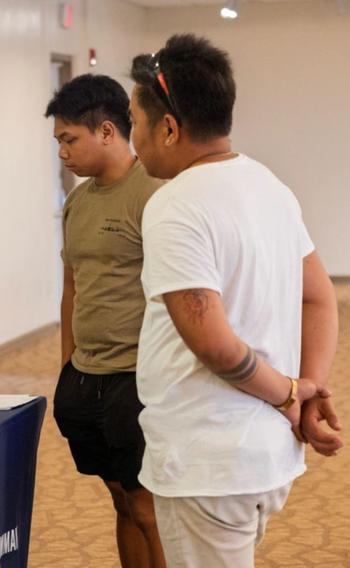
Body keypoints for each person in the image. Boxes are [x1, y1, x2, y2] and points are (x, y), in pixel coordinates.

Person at [129, 34, 342, 567]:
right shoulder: (269, 185)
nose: (133, 140)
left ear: (170, 128)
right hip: (264, 458)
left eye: (134, 122)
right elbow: (321, 299)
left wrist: (291, 394)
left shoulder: (175, 205)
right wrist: (308, 391)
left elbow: (216, 345)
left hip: (210, 462)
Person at [46, 74, 166, 568]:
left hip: (137, 379)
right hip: (86, 378)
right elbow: (72, 289)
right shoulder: (77, 202)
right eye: (59, 142)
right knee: (119, 500)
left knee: (148, 507)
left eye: (69, 139)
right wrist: (66, 366)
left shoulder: (155, 194)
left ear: (108, 131)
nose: (63, 153)